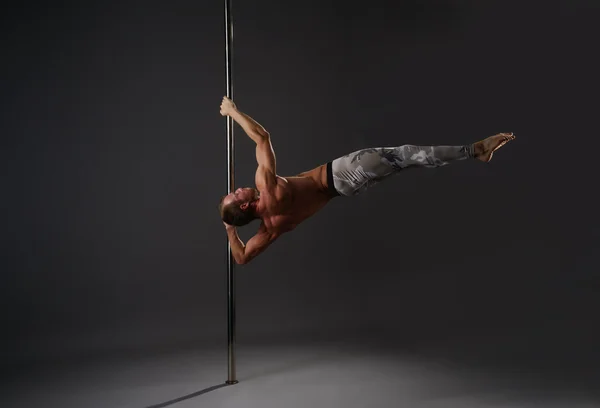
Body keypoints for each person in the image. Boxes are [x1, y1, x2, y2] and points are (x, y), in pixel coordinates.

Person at [218, 96, 515, 265]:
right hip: (342, 173)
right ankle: (475, 151)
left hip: (345, 188)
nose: (237, 189)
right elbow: (262, 137)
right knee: (407, 155)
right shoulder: (266, 187)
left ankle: (472, 153)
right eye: (235, 195)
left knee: (406, 160)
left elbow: (242, 258)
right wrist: (233, 112)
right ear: (245, 206)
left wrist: (231, 230)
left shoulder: (269, 230)